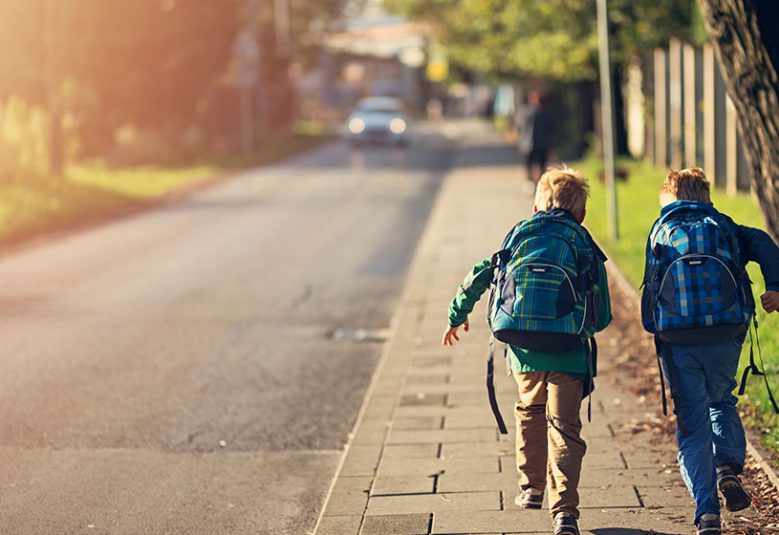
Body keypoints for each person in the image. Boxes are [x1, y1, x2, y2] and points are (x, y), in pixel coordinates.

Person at [442, 167, 612, 535]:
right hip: (568, 350)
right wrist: (582, 328)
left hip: (522, 348)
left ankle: (531, 487)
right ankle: (565, 512)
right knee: (565, 428)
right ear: (581, 213)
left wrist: (457, 314)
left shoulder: (520, 232)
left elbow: (483, 273)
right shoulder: (582, 241)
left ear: (537, 206)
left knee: (530, 411)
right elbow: (604, 314)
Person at [640, 168, 779, 535]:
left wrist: (654, 328)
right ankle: (727, 468)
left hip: (679, 339)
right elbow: (764, 243)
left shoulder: (661, 229)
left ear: (669, 197)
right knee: (722, 400)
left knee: (693, 420)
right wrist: (775, 286)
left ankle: (706, 512)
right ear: (705, 195)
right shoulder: (724, 224)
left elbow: (649, 292)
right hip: (725, 330)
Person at [516, 91, 554, 183]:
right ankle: (540, 182)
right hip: (541, 143)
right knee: (541, 165)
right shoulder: (544, 113)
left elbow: (519, 126)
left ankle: (530, 181)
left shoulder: (525, 112)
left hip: (527, 143)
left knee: (529, 164)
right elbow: (550, 129)